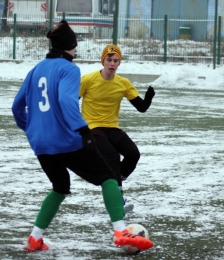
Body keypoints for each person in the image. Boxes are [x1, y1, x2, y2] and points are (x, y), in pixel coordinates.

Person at [11, 20, 153, 253]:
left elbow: (17, 108)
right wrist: (83, 130)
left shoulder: (35, 69)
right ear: (71, 45)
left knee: (60, 186)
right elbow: (67, 101)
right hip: (65, 139)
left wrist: (32, 129)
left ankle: (34, 239)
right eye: (75, 45)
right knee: (108, 177)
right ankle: (120, 231)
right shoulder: (69, 68)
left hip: (40, 143)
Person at [79, 44, 155, 210]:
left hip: (112, 127)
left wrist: (148, 98)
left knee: (133, 154)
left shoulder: (123, 83)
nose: (112, 63)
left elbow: (141, 108)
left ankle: (111, 182)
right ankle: (118, 201)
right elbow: (70, 101)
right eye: (109, 59)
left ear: (119, 63)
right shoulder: (87, 80)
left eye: (116, 60)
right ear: (103, 61)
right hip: (92, 128)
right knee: (113, 156)